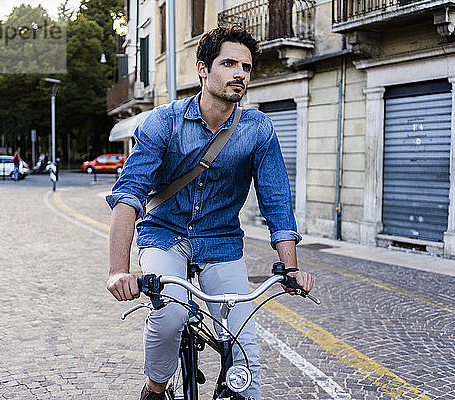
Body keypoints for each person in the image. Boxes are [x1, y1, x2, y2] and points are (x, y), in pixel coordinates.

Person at [106, 25, 314, 400]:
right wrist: (119, 270)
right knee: (170, 314)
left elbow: (277, 202)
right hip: (164, 234)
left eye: (246, 67)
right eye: (229, 63)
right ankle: (154, 387)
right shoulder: (162, 122)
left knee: (244, 342)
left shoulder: (258, 129)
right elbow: (128, 196)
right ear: (203, 68)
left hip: (221, 241)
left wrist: (290, 267)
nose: (239, 74)